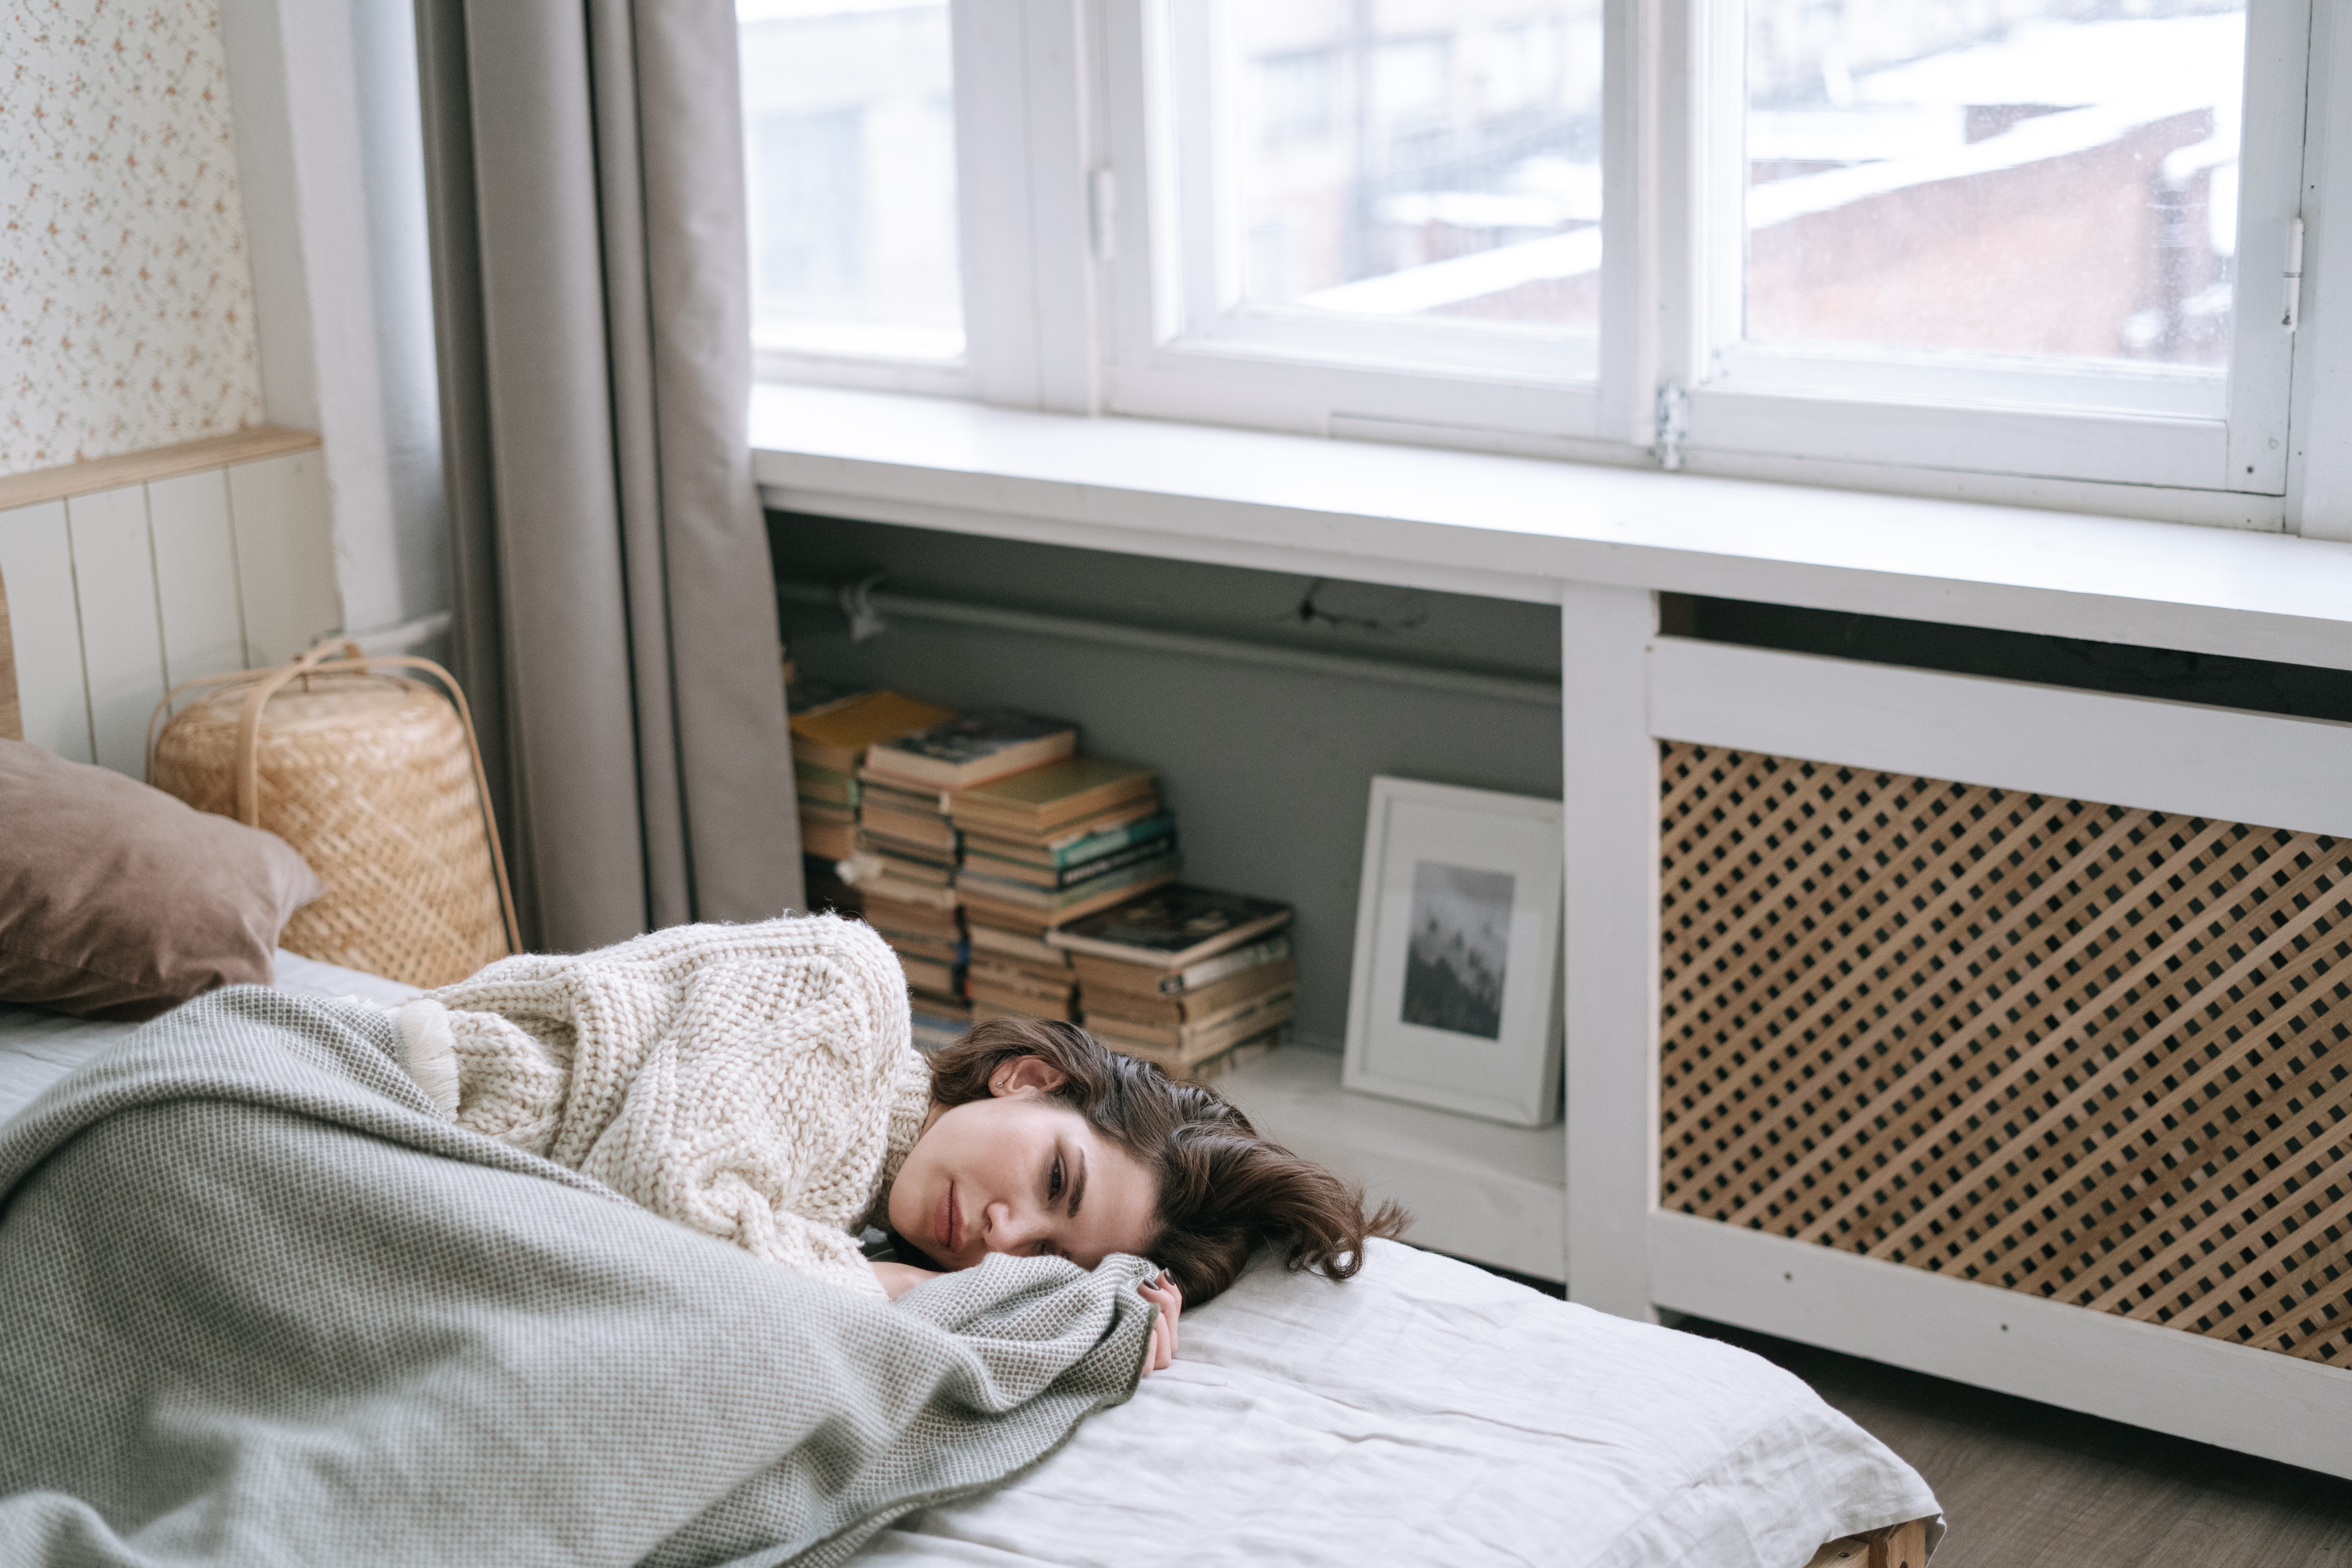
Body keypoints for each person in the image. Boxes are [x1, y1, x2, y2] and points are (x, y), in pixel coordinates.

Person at [396, 914, 1405, 1377]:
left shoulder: (865, 1225)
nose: (1006, 1237)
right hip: (383, 1099)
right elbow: (669, 1223)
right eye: (1058, 1176)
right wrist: (928, 1298)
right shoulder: (846, 993)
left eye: (1050, 1259)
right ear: (1029, 1078)